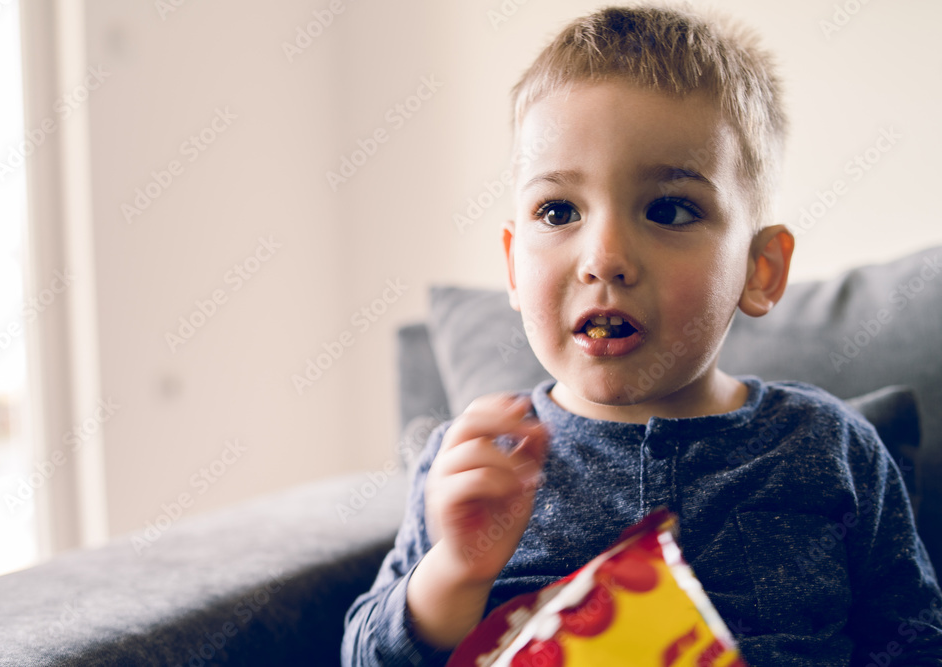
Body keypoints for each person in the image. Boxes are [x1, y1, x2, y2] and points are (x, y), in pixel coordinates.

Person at [341, 5, 942, 665]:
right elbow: (364, 656)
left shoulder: (829, 449)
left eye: (669, 209)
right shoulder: (477, 462)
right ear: (513, 264)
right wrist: (453, 572)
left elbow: (913, 642)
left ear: (759, 269)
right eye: (558, 210)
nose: (605, 255)